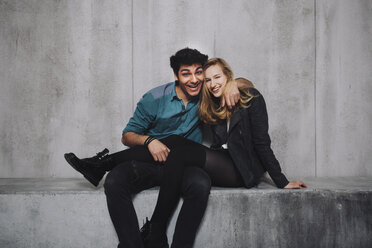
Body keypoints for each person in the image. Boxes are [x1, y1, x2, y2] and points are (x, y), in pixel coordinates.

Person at [64, 48, 251, 248]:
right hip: (149, 162)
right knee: (114, 180)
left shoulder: (206, 96)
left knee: (201, 183)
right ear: (176, 76)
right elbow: (127, 136)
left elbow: (247, 86)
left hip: (183, 166)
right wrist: (149, 141)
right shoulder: (154, 98)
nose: (194, 79)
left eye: (198, 73)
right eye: (186, 74)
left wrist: (234, 84)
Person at [132, 57, 307, 248]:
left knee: (179, 152)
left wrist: (282, 181)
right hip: (225, 161)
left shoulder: (252, 99)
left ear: (228, 76)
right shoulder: (213, 103)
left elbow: (262, 143)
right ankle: (107, 162)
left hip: (243, 169)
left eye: (217, 77)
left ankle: (156, 230)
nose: (213, 84)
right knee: (175, 143)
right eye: (208, 80)